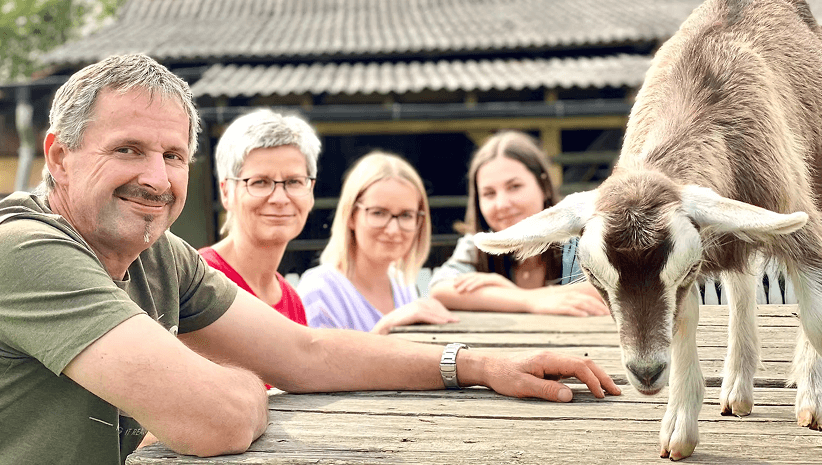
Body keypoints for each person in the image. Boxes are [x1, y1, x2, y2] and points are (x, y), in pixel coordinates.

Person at [0, 54, 620, 465]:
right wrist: (245, 382)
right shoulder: (24, 247)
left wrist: (481, 364)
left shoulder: (162, 257)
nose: (157, 179)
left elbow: (304, 352)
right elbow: (214, 418)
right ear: (57, 157)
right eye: (128, 149)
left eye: (172, 155)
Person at [430, 130, 610, 317]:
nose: (502, 204)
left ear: (544, 187)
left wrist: (512, 295)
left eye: (514, 187)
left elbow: (606, 290)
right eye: (489, 193)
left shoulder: (578, 239)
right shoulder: (478, 242)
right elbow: (441, 288)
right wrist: (529, 301)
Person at [297, 151, 458, 334]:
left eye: (406, 215)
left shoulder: (403, 286)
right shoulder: (319, 291)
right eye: (378, 213)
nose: (393, 230)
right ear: (350, 216)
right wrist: (386, 328)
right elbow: (319, 363)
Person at [198, 109, 320, 326]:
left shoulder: (293, 301)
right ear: (226, 193)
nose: (280, 198)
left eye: (294, 182)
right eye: (260, 182)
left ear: (311, 191)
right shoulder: (200, 280)